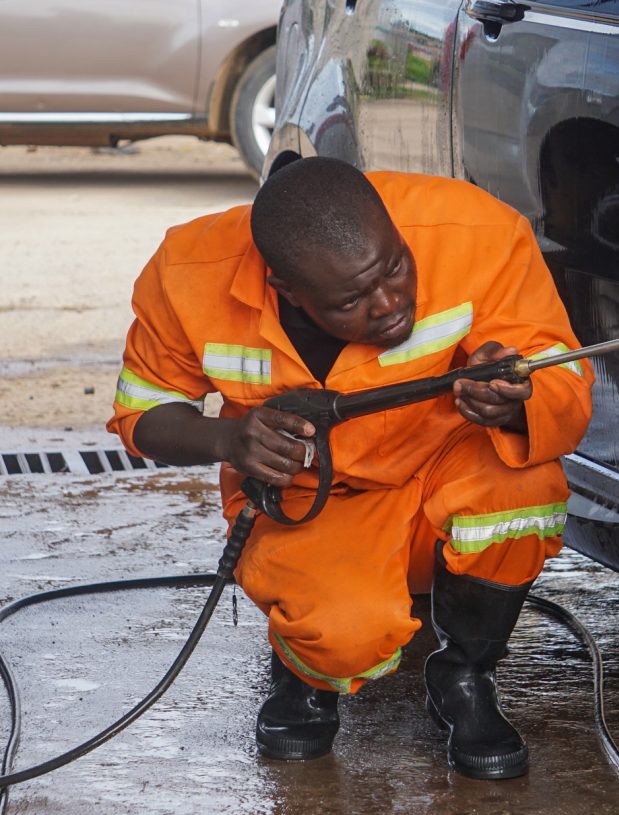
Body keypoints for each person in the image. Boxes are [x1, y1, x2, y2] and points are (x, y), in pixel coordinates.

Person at [107, 157, 593, 780]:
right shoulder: (188, 273)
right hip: (319, 496)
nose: (390, 304)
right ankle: (306, 675)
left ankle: (465, 677)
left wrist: (515, 400)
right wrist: (230, 440)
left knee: (526, 487)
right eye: (352, 300)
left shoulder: (478, 231)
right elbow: (140, 415)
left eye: (394, 269)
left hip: (447, 465)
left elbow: (565, 373)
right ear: (286, 289)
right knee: (344, 633)